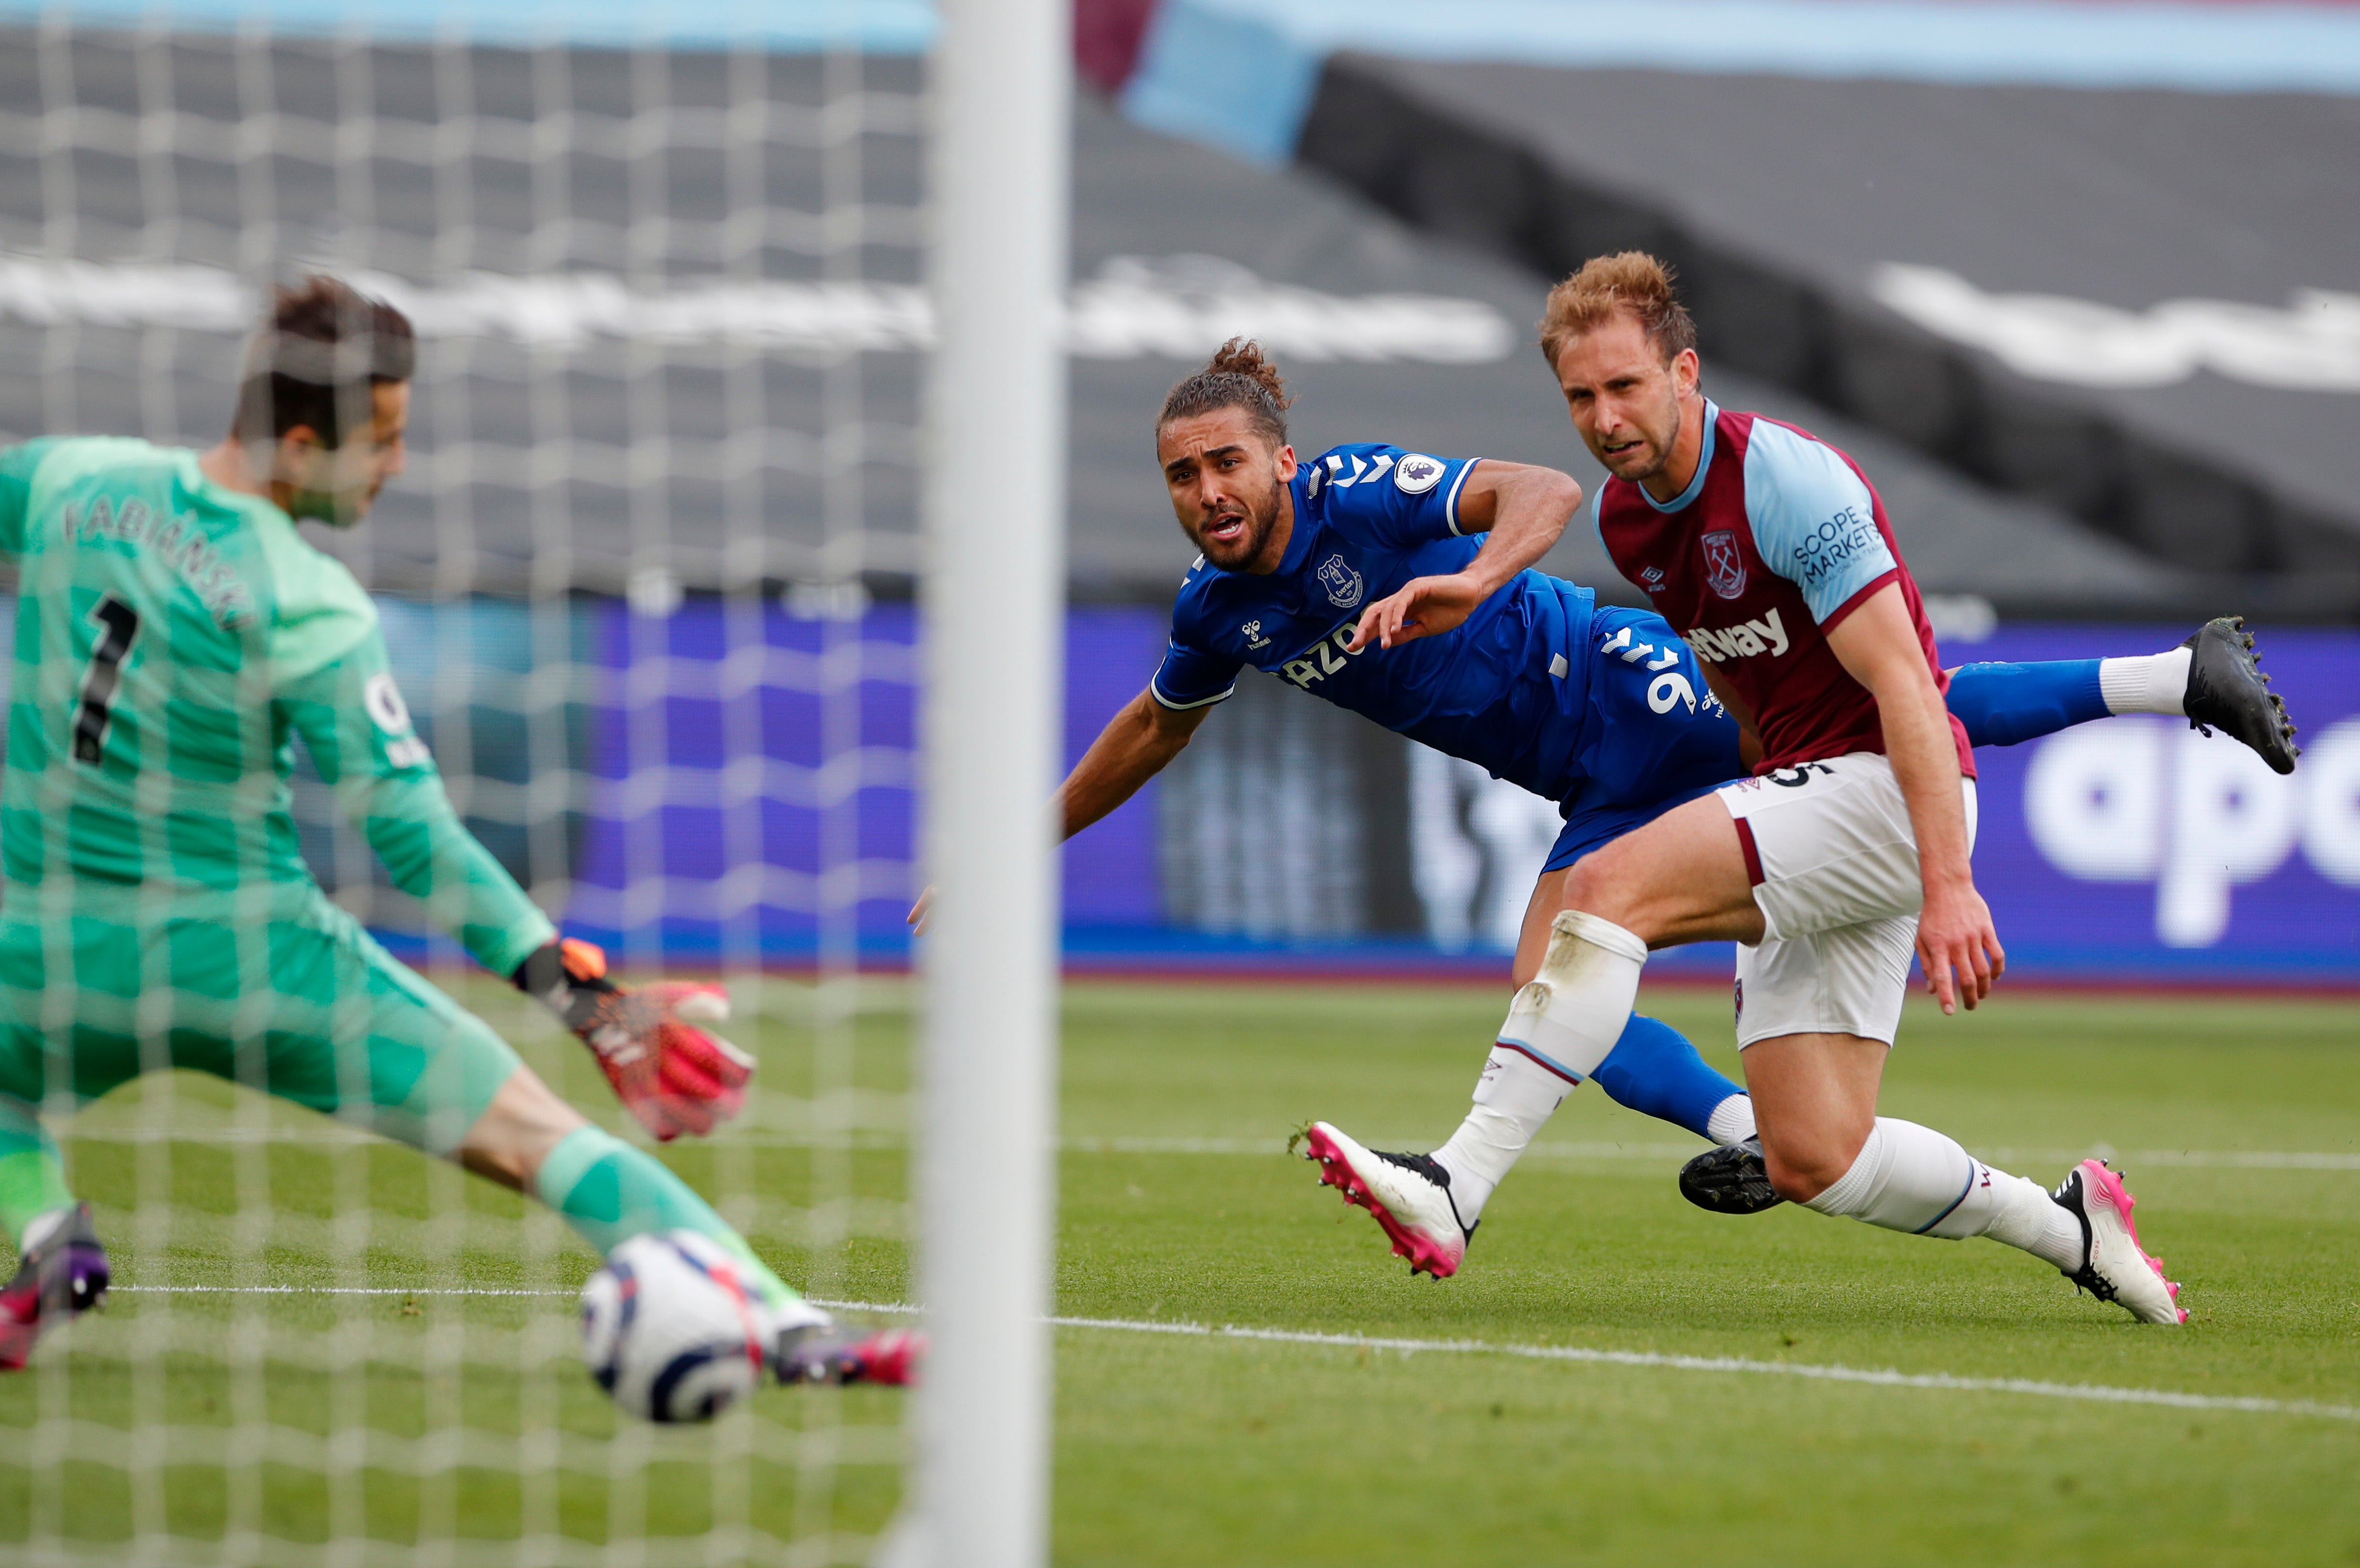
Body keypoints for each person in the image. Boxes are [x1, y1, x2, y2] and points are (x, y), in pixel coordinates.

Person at [1025, 338, 2292, 1291]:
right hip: (1588, 784)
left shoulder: (1360, 491)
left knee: (1881, 698)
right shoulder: (1212, 612)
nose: (1205, 489)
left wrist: (1463, 580)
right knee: (1550, 994)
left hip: (1622, 686)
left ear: (1279, 460)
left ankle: (2176, 674)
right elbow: (1150, 728)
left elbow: (1536, 493)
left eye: (1224, 461)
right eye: (1180, 475)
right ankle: (1750, 1131)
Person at [0, 276, 915, 1389]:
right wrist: (585, 1004)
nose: (394, 465)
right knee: (543, 1140)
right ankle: (791, 1331)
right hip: (251, 958)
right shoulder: (307, 599)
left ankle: (51, 1237)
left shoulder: (69, 479)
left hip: (43, 956)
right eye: (378, 442)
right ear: (298, 443)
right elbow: (413, 836)